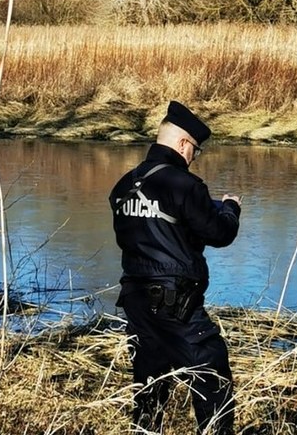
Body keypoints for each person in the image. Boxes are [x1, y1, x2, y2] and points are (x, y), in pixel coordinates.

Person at [110, 100, 242, 435]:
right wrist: (229, 208)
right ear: (183, 144)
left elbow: (142, 235)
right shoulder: (185, 186)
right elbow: (220, 234)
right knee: (212, 373)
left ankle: (145, 431)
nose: (193, 157)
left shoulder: (124, 186)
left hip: (135, 299)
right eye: (195, 151)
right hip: (176, 303)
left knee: (150, 379)